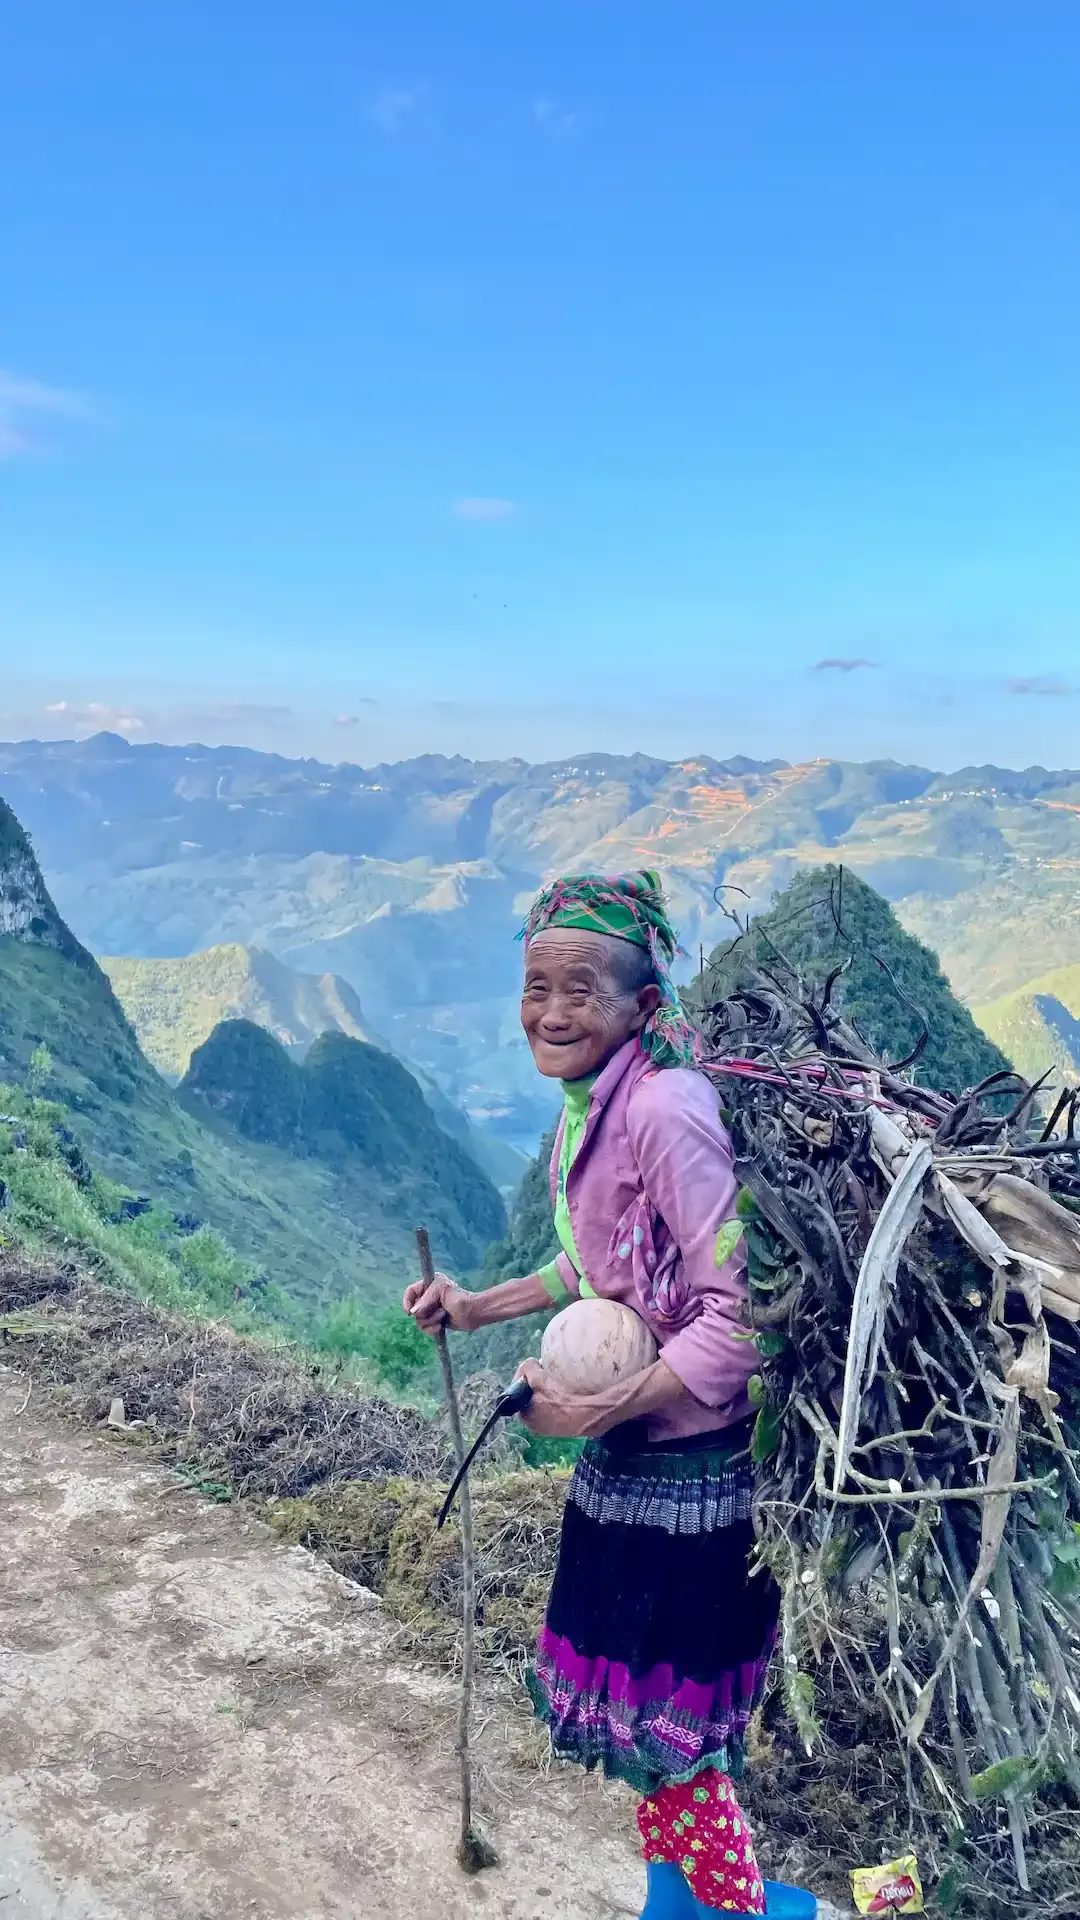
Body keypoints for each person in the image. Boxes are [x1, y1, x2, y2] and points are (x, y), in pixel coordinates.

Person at [403, 870, 789, 1919]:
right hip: (633, 1466)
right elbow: (601, 1269)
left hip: (695, 1480)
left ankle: (735, 1910)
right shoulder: (593, 1107)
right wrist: (476, 1307)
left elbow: (740, 1311)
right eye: (536, 986)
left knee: (681, 1738)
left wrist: (601, 1410)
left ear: (639, 1003)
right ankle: (691, 1899)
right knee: (659, 1742)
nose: (554, 1011)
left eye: (582, 988)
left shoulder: (664, 1110)